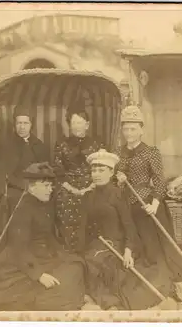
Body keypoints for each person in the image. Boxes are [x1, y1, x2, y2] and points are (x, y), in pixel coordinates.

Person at [0, 163, 86, 311]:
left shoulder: (44, 205)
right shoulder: (23, 210)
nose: (50, 189)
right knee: (32, 290)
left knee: (75, 266)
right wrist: (39, 275)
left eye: (51, 186)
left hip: (44, 255)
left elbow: (48, 236)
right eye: (46, 186)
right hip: (24, 258)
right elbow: (18, 248)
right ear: (32, 187)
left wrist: (62, 253)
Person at [115, 106, 182, 285]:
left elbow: (159, 181)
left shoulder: (151, 152)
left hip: (146, 206)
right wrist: (119, 178)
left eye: (133, 129)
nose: (129, 133)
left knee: (155, 255)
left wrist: (154, 204)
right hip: (124, 205)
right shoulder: (118, 152)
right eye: (126, 129)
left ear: (141, 130)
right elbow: (113, 178)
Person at [79, 149, 176, 310]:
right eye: (94, 170)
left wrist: (128, 250)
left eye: (101, 170)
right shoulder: (88, 196)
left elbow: (129, 225)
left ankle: (110, 302)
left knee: (114, 271)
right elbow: (84, 228)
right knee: (87, 265)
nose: (96, 174)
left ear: (111, 172)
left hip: (117, 244)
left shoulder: (117, 195)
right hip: (97, 245)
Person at [0, 105, 50, 265]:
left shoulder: (39, 145)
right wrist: (25, 187)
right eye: (19, 123)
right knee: (11, 204)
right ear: (14, 125)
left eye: (25, 123)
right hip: (15, 188)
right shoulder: (7, 145)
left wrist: (37, 187)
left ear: (31, 125)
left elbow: (45, 170)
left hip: (37, 187)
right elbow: (4, 173)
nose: (22, 127)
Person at [53, 99, 105, 252]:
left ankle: (91, 250)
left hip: (93, 185)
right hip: (68, 187)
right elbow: (58, 170)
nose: (77, 126)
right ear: (69, 125)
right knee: (63, 201)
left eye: (80, 122)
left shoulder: (97, 144)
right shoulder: (61, 144)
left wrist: (90, 186)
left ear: (87, 125)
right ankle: (69, 250)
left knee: (95, 205)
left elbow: (102, 167)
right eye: (74, 123)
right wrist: (73, 190)